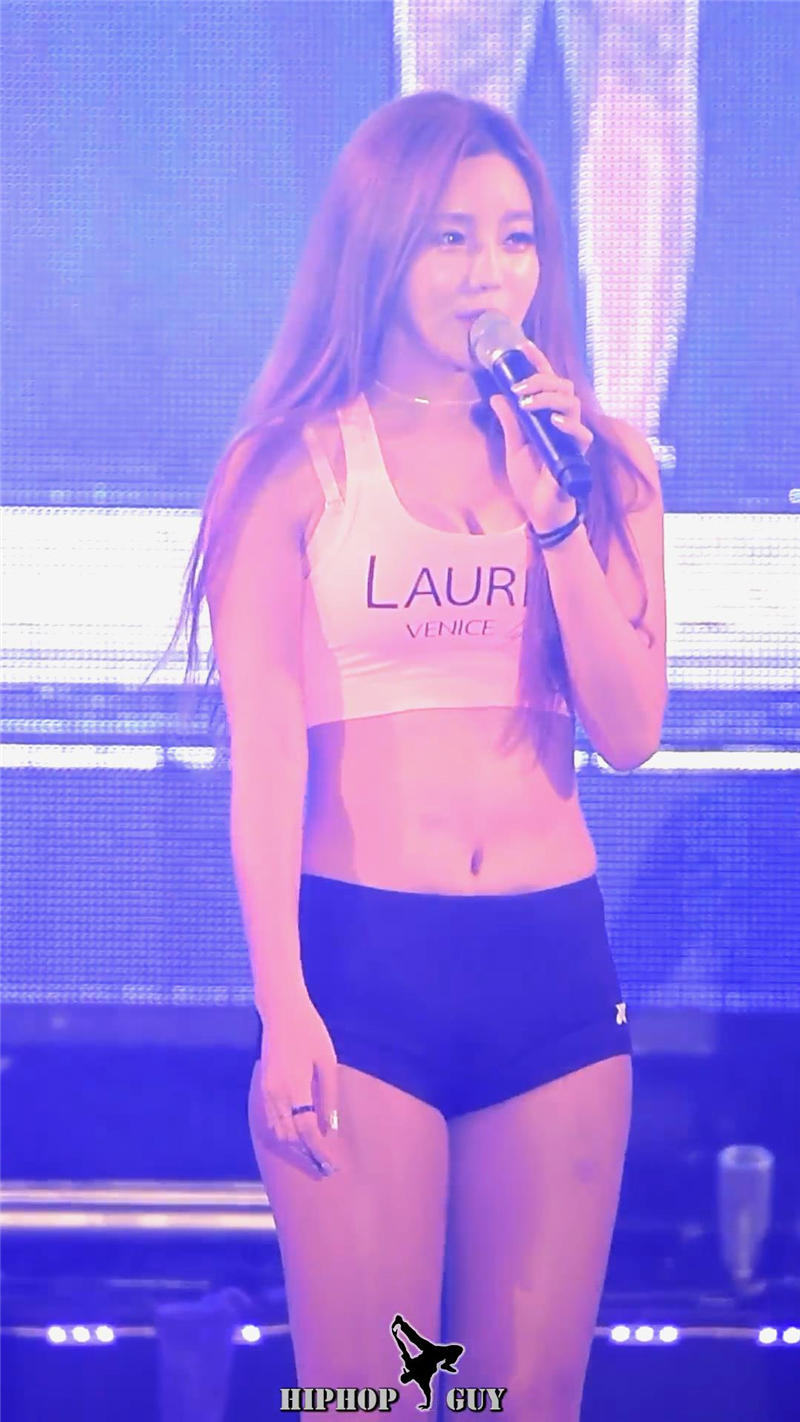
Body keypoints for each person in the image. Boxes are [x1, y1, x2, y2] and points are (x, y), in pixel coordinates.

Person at [173, 91, 667, 1421]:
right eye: (450, 237)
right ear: (379, 247)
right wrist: (284, 1006)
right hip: (363, 975)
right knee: (371, 1402)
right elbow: (266, 761)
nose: (489, 271)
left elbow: (630, 730)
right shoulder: (288, 470)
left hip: (553, 971)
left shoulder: (604, 467)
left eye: (516, 237)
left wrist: (556, 515)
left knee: (529, 1405)